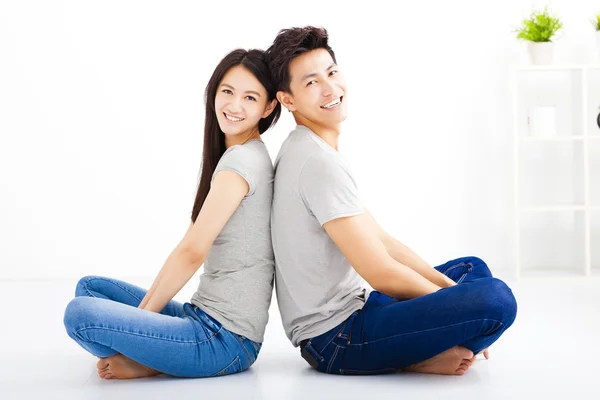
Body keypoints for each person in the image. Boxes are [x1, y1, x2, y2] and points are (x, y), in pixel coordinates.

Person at [266, 26, 517, 376]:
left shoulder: (312, 148)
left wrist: (449, 294)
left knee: (471, 270)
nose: (330, 88)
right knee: (496, 301)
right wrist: (454, 305)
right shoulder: (315, 162)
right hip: (336, 340)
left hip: (359, 308)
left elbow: (381, 241)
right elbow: (379, 271)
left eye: (332, 73)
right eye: (312, 83)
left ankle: (437, 343)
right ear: (288, 99)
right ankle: (420, 358)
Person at [63, 48, 280, 379]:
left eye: (250, 98)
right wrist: (143, 322)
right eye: (227, 91)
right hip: (202, 318)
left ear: (268, 107)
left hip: (224, 341)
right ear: (214, 92)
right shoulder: (237, 155)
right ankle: (154, 352)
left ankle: (149, 360)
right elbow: (187, 245)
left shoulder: (241, 163)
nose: (234, 105)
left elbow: (192, 253)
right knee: (91, 288)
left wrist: (141, 324)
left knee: (80, 315)